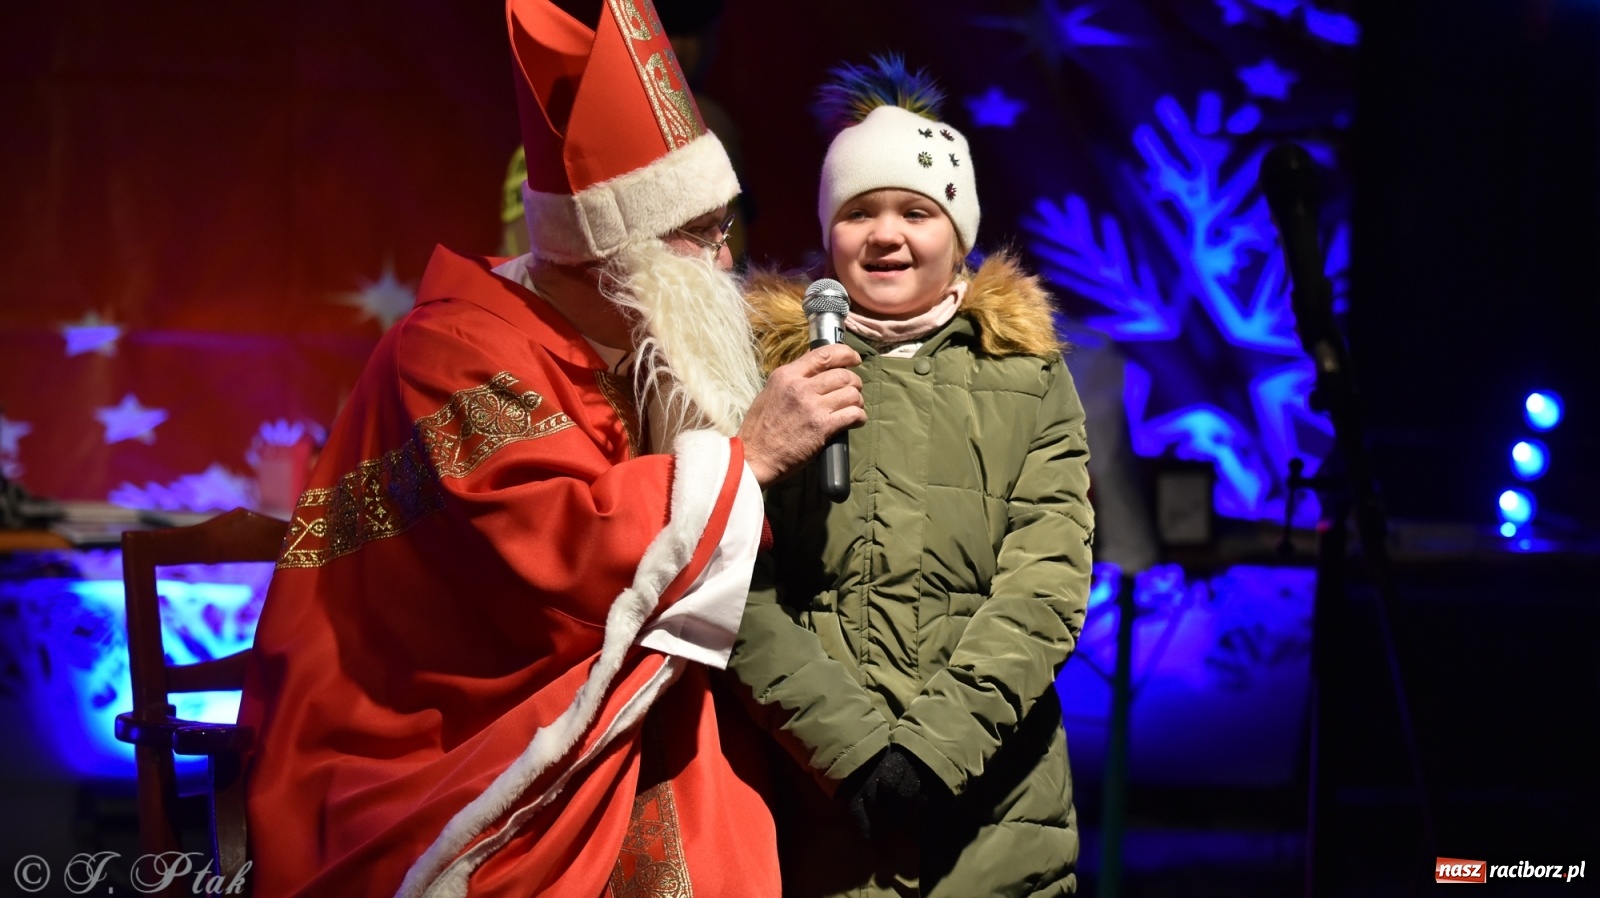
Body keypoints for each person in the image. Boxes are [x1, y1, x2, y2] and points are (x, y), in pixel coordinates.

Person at [237, 1, 864, 895]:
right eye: (701, 236)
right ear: (618, 254)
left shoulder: (624, 345)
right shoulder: (456, 349)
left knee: (735, 784)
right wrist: (748, 455)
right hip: (419, 737)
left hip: (555, 693)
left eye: (727, 229)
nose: (725, 265)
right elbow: (558, 550)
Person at [728, 56, 1094, 897]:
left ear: (957, 233)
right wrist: (850, 752)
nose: (885, 234)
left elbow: (1047, 582)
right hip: (816, 809)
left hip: (994, 819)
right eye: (859, 211)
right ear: (829, 233)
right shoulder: (769, 378)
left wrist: (933, 753)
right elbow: (736, 579)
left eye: (915, 211)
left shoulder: (1029, 377)